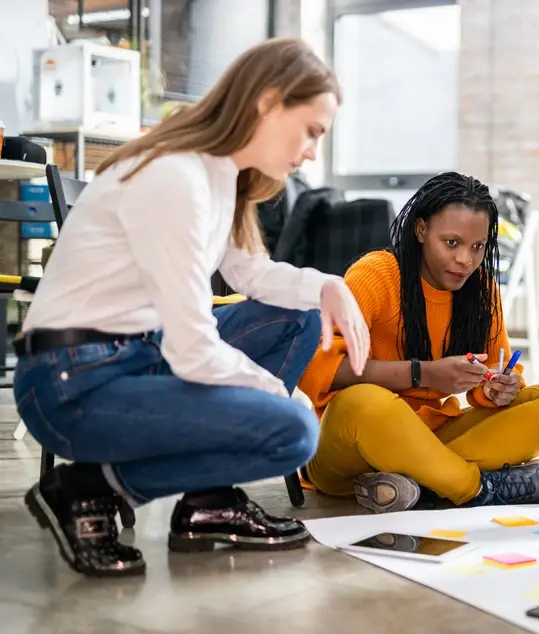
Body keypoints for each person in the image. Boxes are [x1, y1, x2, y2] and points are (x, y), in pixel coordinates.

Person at [12, 38, 370, 578]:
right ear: (268, 102)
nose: (313, 152)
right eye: (312, 131)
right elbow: (193, 349)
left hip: (136, 354)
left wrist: (328, 287)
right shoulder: (173, 176)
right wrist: (276, 392)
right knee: (295, 430)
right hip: (72, 382)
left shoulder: (222, 173)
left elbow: (251, 274)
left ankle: (206, 501)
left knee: (295, 316)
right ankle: (87, 489)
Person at [297, 172, 539, 514]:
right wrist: (423, 374)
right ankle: (476, 488)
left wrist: (497, 387)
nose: (466, 260)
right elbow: (318, 369)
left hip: (431, 437)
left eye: (478, 247)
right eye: (452, 243)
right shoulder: (375, 274)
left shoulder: (481, 290)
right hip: (348, 447)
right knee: (363, 402)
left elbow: (499, 368)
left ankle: (416, 484)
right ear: (420, 231)